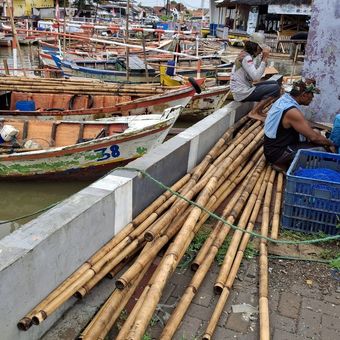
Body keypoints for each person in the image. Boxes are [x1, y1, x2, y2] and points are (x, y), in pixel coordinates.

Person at [264, 78, 336, 169]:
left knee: (317, 132)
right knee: (325, 149)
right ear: (304, 95)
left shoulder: (284, 100)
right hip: (277, 154)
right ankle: (283, 163)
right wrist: (331, 143)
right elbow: (314, 137)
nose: (313, 98)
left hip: (272, 148)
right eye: (312, 94)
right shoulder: (292, 111)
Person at [230, 32, 280, 121]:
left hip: (244, 88)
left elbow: (255, 73)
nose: (261, 51)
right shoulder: (246, 58)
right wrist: (264, 59)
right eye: (260, 48)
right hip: (242, 92)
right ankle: (254, 112)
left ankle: (259, 111)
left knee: (274, 83)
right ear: (256, 46)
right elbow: (256, 78)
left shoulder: (246, 55)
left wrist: (262, 60)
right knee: (275, 88)